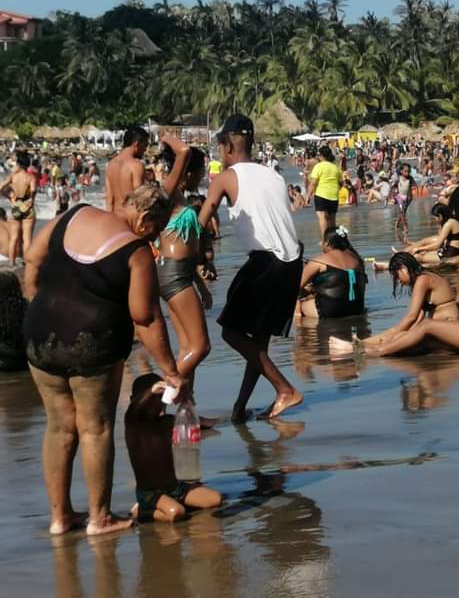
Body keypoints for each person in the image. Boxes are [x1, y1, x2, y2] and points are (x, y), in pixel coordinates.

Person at [22, 185, 183, 536]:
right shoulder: (136, 251)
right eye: (157, 228)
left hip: (39, 335)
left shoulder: (73, 214)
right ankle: (100, 518)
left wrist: (37, 304)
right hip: (91, 343)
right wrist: (171, 371)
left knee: (58, 426)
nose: (155, 237)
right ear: (145, 218)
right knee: (95, 428)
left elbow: (32, 258)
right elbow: (145, 318)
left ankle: (60, 517)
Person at [198, 115, 304, 422]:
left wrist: (193, 255)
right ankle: (239, 408)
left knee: (231, 332)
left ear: (228, 145)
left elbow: (201, 220)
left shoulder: (225, 178)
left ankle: (285, 389)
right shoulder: (273, 175)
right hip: (292, 261)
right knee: (257, 342)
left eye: (220, 146)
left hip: (266, 261)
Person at [331, 226, 459, 356]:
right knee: (412, 339)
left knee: (425, 327)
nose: (399, 281)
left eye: (397, 276)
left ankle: (372, 351)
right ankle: (360, 346)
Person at [154, 138, 214, 390]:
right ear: (187, 172)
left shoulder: (178, 196)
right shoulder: (168, 192)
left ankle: (186, 406)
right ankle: (159, 394)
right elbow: (184, 151)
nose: (202, 177)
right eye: (200, 173)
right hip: (173, 275)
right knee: (201, 347)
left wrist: (200, 284)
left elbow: (187, 251)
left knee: (188, 347)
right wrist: (166, 136)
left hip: (179, 273)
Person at [124, 373, 223, 523]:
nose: (155, 404)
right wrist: (151, 391)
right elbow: (136, 407)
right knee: (176, 513)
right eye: (151, 400)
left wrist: (186, 401)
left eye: (160, 398)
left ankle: (174, 503)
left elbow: (192, 421)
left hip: (176, 487)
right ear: (134, 400)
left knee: (215, 499)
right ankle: (141, 511)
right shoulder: (133, 423)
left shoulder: (167, 422)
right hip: (150, 493)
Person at [296, 226, 367, 319]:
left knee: (299, 303)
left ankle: (298, 320)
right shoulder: (357, 259)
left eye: (322, 241)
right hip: (357, 309)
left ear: (327, 243)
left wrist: (298, 305)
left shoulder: (318, 261)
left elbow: (295, 288)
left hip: (330, 311)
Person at [0, 150, 39, 261]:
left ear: (18, 164)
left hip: (16, 205)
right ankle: (27, 263)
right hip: (27, 205)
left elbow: (0, 188)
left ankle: (11, 263)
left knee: (14, 238)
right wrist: (32, 199)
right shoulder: (31, 177)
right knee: (27, 239)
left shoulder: (13, 176)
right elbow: (33, 190)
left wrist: (9, 197)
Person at [105, 128, 149, 214]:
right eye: (145, 145)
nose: (145, 149)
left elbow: (109, 199)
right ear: (137, 144)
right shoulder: (136, 165)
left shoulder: (111, 164)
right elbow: (139, 199)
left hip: (115, 216)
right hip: (131, 218)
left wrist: (109, 219)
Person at [305, 145, 341, 236]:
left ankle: (325, 239)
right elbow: (340, 183)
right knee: (332, 219)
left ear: (321, 156)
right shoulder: (335, 167)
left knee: (322, 217)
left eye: (319, 155)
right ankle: (332, 240)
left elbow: (313, 183)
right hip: (334, 195)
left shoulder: (318, 166)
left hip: (321, 194)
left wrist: (308, 196)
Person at [391, 163, 415, 243]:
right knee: (402, 212)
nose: (407, 173)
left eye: (408, 171)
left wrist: (411, 196)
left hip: (408, 198)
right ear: (401, 171)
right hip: (399, 197)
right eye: (405, 171)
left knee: (403, 212)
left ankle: (397, 223)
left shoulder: (410, 179)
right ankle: (405, 226)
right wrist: (392, 196)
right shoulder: (398, 178)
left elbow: (412, 188)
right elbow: (393, 187)